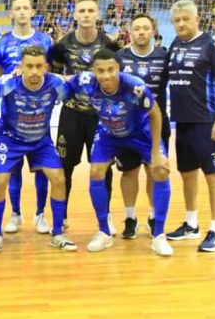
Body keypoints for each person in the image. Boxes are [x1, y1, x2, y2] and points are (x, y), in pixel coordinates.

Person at [64, 49, 173, 256]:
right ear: (93, 71)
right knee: (96, 172)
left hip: (141, 133)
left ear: (119, 69)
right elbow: (62, 81)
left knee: (160, 171)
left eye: (111, 69)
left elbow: (156, 114)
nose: (106, 75)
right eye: (100, 70)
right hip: (108, 133)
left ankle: (159, 235)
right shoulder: (85, 81)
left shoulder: (135, 86)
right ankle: (104, 231)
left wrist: (157, 152)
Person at [0, 46, 76, 253]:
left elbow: (77, 87)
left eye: (39, 66)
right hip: (10, 139)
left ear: (46, 68)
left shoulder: (56, 84)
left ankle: (57, 232)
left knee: (58, 178)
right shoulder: (8, 83)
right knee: (0, 181)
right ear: (20, 67)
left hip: (40, 141)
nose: (33, 71)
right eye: (28, 66)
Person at [165, 0, 215, 252]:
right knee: (187, 173)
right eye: (177, 20)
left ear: (196, 19)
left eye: (185, 19)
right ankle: (191, 224)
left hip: (206, 121)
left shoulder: (210, 45)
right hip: (183, 122)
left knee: (213, 175)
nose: (181, 24)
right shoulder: (175, 44)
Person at [51, 0, 119, 232]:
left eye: (91, 11)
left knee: (102, 167)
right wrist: (71, 80)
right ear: (74, 15)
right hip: (71, 113)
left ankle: (106, 215)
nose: (87, 15)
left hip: (100, 117)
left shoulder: (109, 44)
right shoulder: (63, 44)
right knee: (64, 167)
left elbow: (117, 74)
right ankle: (63, 215)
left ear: (98, 14)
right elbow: (54, 75)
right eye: (82, 11)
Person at [0, 0, 54, 234]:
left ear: (32, 12)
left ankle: (40, 214)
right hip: (10, 114)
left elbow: (51, 72)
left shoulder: (45, 40)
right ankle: (15, 213)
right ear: (10, 13)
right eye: (16, 8)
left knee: (41, 167)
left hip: (39, 114)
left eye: (25, 8)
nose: (21, 12)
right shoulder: (1, 42)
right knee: (13, 168)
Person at [116, 14, 170, 239]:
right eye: (136, 28)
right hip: (127, 124)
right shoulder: (120, 57)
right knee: (129, 171)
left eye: (145, 28)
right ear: (129, 31)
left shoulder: (163, 56)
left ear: (153, 31)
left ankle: (153, 215)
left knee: (155, 170)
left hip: (156, 122)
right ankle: (130, 217)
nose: (140, 32)